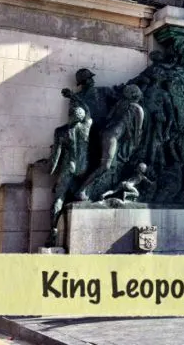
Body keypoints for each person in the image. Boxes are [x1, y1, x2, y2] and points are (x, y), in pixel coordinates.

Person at [76, 84, 144, 201]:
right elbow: (138, 131)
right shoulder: (137, 109)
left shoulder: (120, 104)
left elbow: (108, 117)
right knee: (105, 166)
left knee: (105, 164)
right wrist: (136, 144)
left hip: (105, 132)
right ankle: (81, 190)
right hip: (112, 137)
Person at [47, 103, 92, 246]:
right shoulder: (86, 126)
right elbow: (88, 110)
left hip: (69, 166)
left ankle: (54, 229)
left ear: (70, 116)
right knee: (81, 195)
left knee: (59, 198)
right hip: (84, 167)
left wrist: (51, 170)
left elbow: (56, 156)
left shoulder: (61, 131)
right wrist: (74, 97)